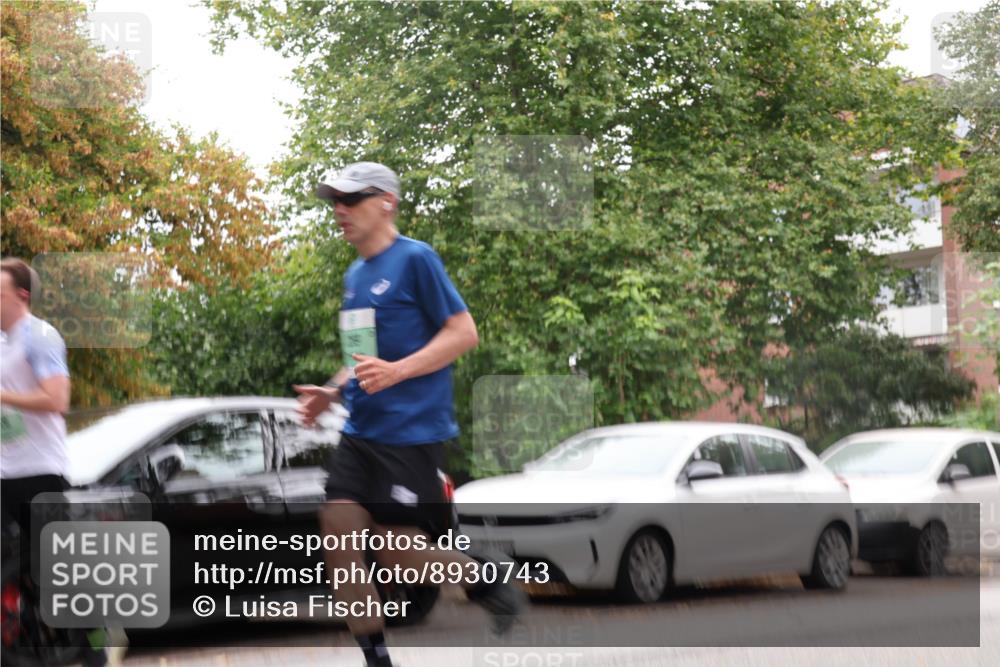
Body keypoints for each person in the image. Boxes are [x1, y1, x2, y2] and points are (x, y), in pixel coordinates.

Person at [295, 162, 525, 667]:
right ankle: (376, 658)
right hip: (361, 433)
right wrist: (331, 392)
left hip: (412, 436)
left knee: (397, 551)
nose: (339, 209)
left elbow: (464, 333)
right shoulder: (355, 276)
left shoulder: (417, 260)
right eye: (334, 200)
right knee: (338, 531)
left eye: (351, 199)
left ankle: (485, 578)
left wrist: (398, 372)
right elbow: (361, 357)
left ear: (386, 203)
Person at [0, 257, 124, 667]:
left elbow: (57, 400)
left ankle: (97, 649)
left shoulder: (40, 336)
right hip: (5, 470)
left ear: (20, 296)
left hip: (41, 470)